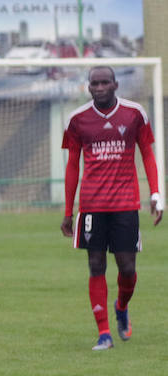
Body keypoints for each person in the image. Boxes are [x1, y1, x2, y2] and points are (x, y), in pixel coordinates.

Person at [60, 64, 163, 351]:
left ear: (116, 85)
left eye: (106, 83)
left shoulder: (134, 114)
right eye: (95, 83)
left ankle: (121, 306)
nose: (100, 87)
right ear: (88, 87)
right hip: (92, 206)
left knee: (127, 268)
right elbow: (72, 166)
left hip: (125, 204)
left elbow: (148, 155)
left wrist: (155, 193)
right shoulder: (77, 120)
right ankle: (104, 333)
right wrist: (69, 211)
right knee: (96, 266)